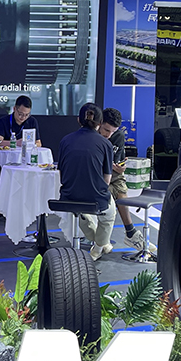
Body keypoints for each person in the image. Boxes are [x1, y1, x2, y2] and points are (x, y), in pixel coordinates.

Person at [58, 102, 116, 261]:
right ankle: (99, 246)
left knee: (80, 210)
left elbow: (62, 173)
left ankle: (98, 243)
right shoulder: (106, 144)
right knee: (109, 214)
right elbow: (106, 180)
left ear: (78, 120)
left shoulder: (65, 140)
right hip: (95, 198)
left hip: (68, 196)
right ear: (100, 123)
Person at [99, 108, 142, 248]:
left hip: (113, 173)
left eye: (113, 131)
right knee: (107, 196)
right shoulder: (91, 136)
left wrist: (120, 167)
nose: (109, 135)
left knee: (121, 191)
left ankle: (130, 231)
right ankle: (100, 237)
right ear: (100, 123)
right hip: (96, 174)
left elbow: (118, 159)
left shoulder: (119, 136)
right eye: (106, 130)